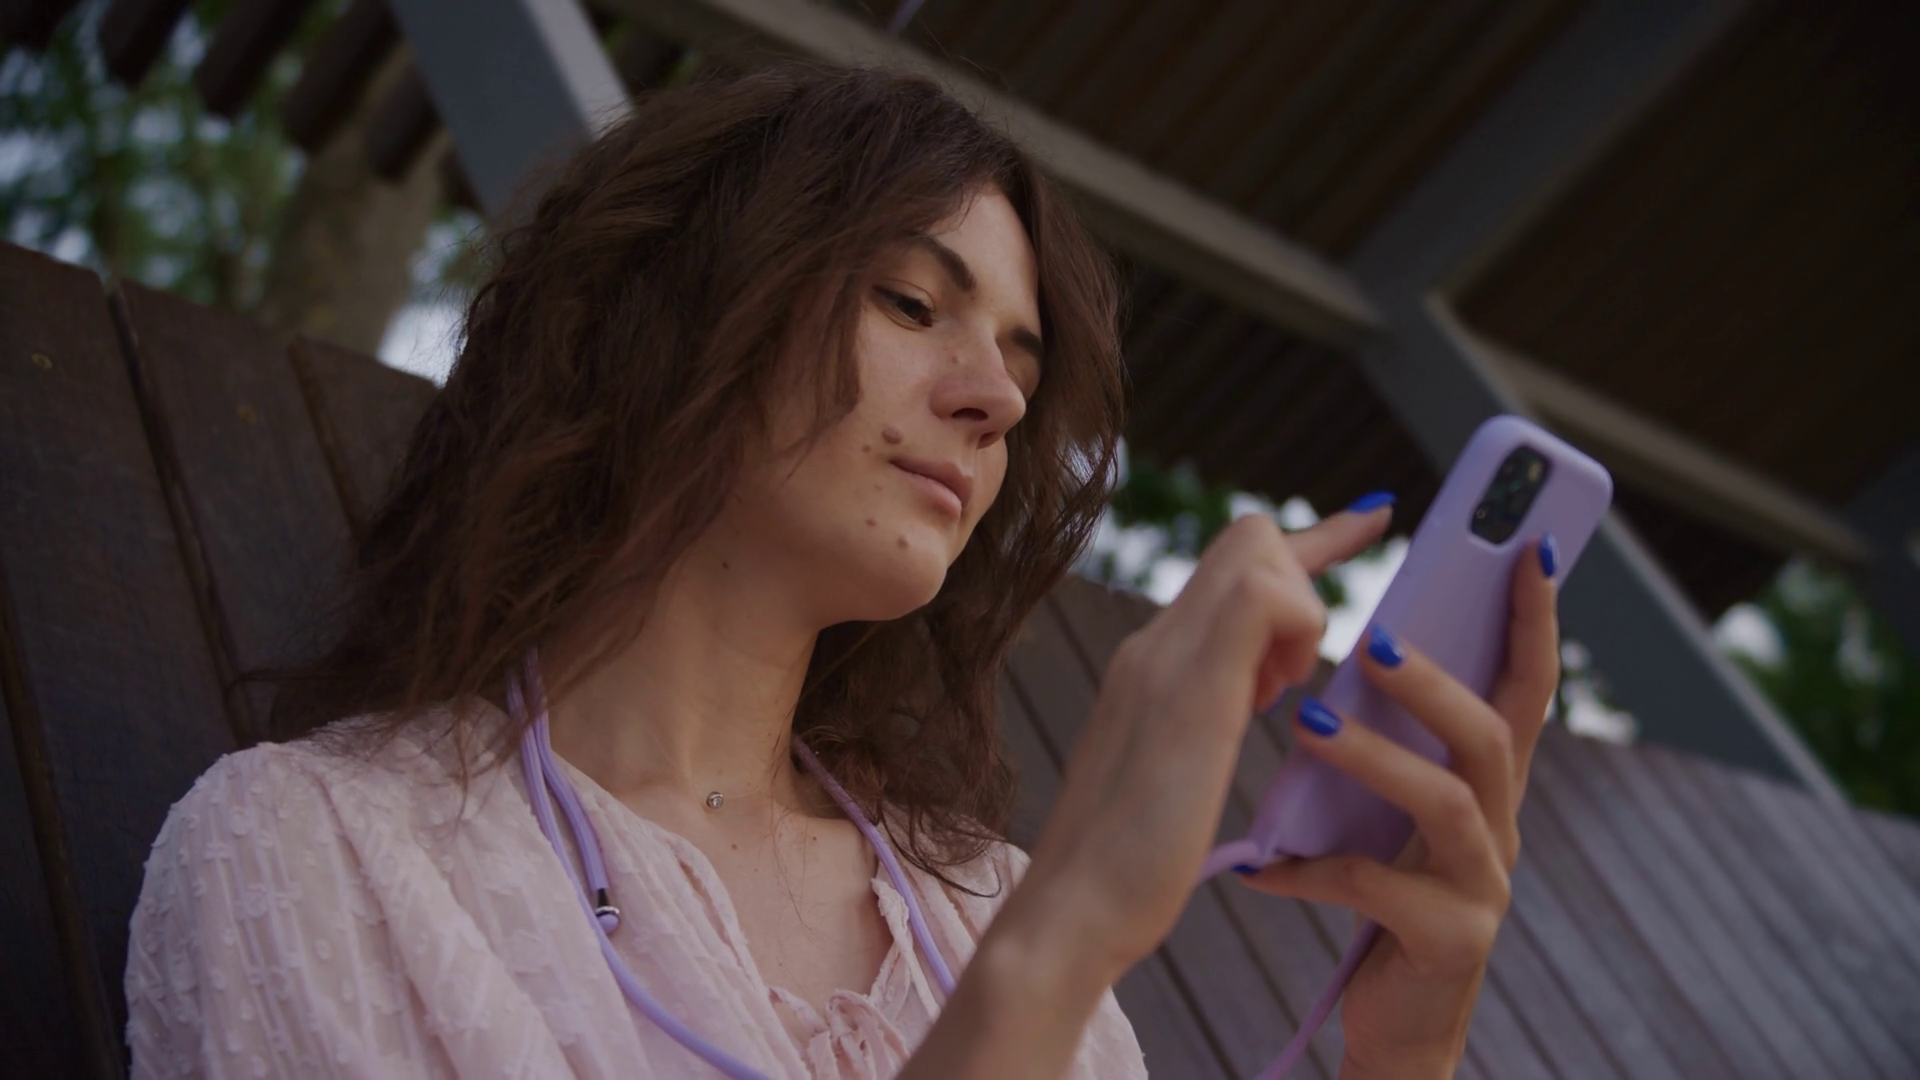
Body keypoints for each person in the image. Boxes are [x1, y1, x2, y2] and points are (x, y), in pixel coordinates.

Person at [125, 63, 1559, 1080]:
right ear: (680, 313)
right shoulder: (314, 858)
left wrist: (1404, 1054)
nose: (996, 401)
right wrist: (1063, 940)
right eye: (913, 301)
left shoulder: (976, 906)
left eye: (1021, 365)